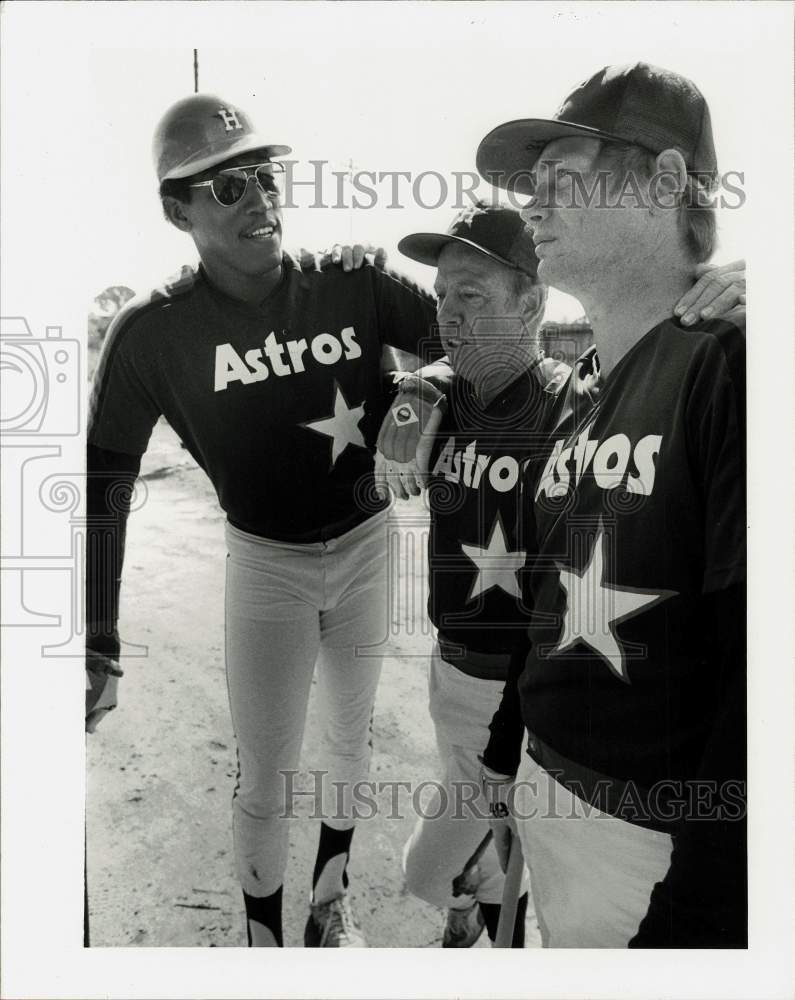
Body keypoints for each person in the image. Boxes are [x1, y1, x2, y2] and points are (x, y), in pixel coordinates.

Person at [85, 93, 437, 948]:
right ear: (178, 211)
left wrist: (427, 386)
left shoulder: (349, 282)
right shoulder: (151, 335)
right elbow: (105, 476)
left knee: (349, 746)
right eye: (228, 187)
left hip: (363, 548)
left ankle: (327, 905)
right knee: (267, 772)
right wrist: (98, 639)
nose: (259, 200)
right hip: (266, 565)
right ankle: (261, 939)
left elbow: (479, 338)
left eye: (265, 178)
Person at [374, 199, 746, 945]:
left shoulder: (572, 401)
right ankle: (485, 901)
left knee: (442, 862)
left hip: (526, 688)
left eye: (471, 294)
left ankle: (484, 900)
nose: (446, 312)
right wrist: (417, 390)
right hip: (451, 672)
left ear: (533, 298)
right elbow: (428, 394)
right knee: (487, 850)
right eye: (440, 295)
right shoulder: (440, 397)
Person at [474, 62, 747, 947]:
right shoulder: (583, 386)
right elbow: (554, 604)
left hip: (650, 849)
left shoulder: (731, 362)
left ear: (665, 180)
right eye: (531, 188)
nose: (532, 208)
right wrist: (503, 763)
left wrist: (701, 917)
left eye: (562, 178)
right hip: (549, 797)